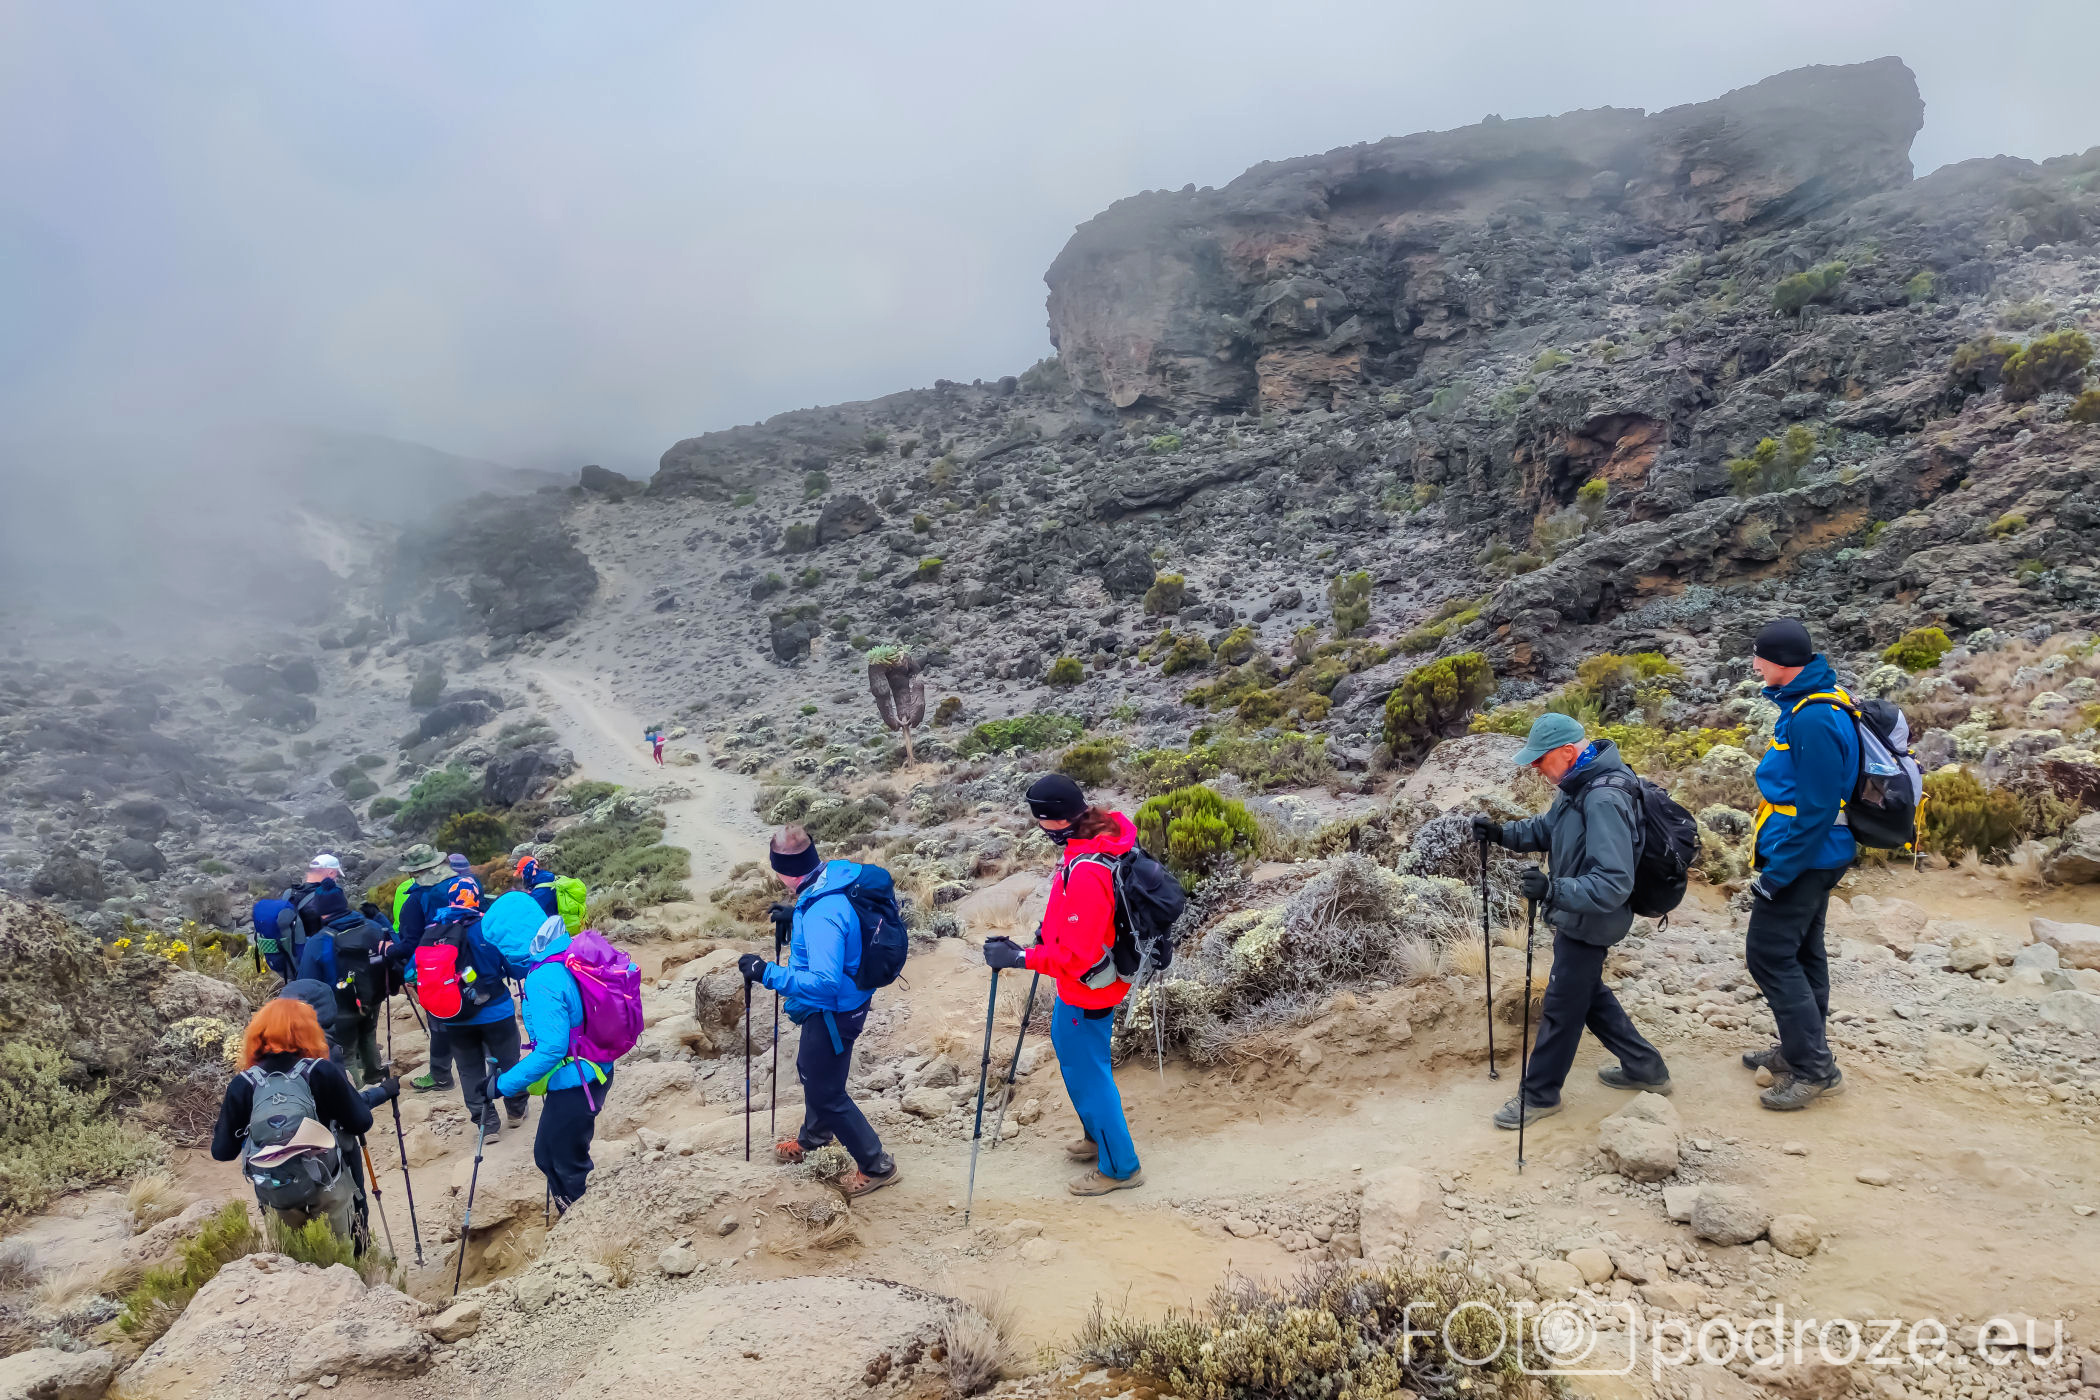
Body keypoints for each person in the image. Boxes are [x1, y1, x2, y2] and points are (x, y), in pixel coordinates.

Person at [1472, 712, 1670, 1130]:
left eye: (1540, 759)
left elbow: (1614, 882)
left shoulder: (1602, 797)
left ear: (1566, 751)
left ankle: (1539, 1095)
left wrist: (1553, 890)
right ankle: (1646, 1067)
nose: (1535, 768)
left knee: (1563, 1006)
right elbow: (1549, 829)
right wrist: (1502, 834)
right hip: (1580, 913)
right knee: (1586, 993)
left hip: (1592, 918)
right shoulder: (1578, 784)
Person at [982, 774, 1144, 1196]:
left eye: (1039, 818)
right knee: (1077, 1061)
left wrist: (1021, 957)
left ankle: (1120, 1167)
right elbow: (1075, 921)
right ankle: (1096, 1136)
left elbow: (1079, 955)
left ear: (1053, 820)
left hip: (1089, 986)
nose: (1038, 826)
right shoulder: (1092, 840)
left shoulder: (1087, 868)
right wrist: (1046, 935)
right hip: (1085, 985)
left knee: (1090, 1076)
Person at [738, 824, 899, 1198]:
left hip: (834, 1009)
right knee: (813, 1071)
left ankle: (877, 1165)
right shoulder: (832, 878)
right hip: (845, 999)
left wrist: (766, 973)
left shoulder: (822, 913)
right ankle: (815, 1137)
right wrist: (795, 915)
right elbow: (833, 920)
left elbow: (825, 981)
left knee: (826, 1091)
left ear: (782, 870)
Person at [1742, 618, 1856, 1111]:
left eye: (1760, 657)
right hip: (1817, 853)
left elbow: (1818, 807)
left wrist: (1778, 874)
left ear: (1783, 662)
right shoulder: (1815, 701)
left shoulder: (1813, 717)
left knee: (1768, 954)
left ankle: (1814, 1069)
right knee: (1804, 954)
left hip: (1807, 857)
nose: (1754, 665)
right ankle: (1799, 1051)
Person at [211, 997, 398, 1246]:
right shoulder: (321, 1071)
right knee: (342, 1258)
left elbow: (222, 1151)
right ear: (309, 1030)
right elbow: (360, 1123)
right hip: (327, 1186)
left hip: (276, 1191)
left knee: (295, 1262)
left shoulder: (243, 1084)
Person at [479, 893, 615, 1215]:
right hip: (593, 1068)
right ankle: (576, 1219)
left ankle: (583, 1224)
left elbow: (552, 1049)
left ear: (512, 940)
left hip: (577, 1080)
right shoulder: (565, 948)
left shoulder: (543, 978)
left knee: (563, 1159)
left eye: (501, 945)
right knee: (550, 1153)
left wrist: (502, 1085)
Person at [419, 895, 528, 1140]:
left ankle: (486, 1123)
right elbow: (514, 969)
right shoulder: (487, 928)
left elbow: (411, 972)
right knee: (509, 1061)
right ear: (476, 900)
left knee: (469, 1070)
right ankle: (516, 1110)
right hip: (496, 1011)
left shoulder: (433, 932)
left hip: (454, 1015)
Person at [385, 844, 482, 1093]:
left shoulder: (416, 900)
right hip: (472, 960)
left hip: (437, 970)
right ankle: (494, 1064)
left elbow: (409, 944)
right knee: (479, 1007)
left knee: (440, 1020)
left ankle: (440, 1076)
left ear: (414, 872)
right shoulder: (467, 884)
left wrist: (388, 951)